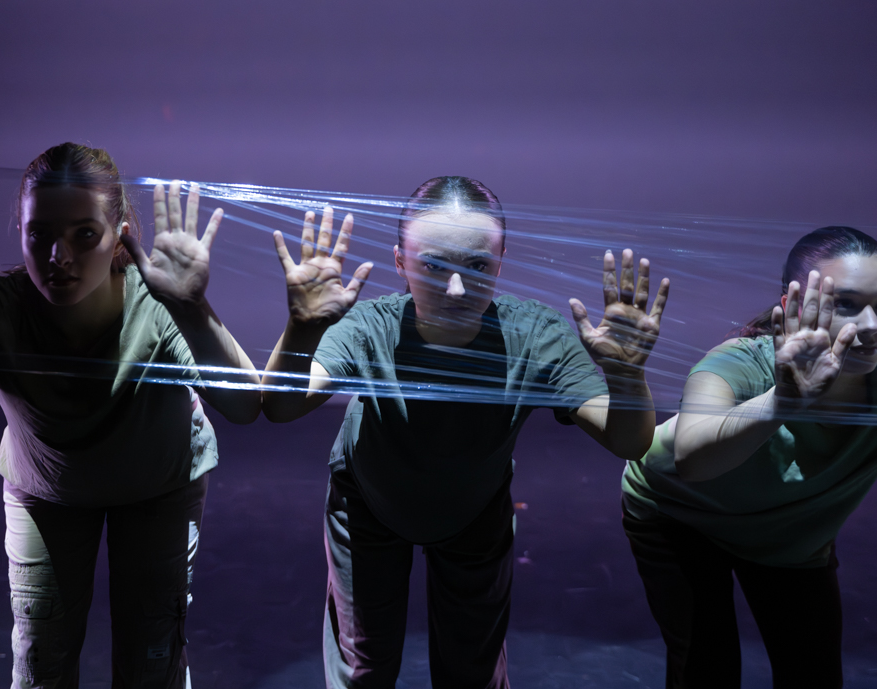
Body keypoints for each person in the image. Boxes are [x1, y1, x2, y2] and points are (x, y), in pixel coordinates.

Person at [0, 143, 261, 688]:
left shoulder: (154, 305)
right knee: (42, 661)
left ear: (119, 232)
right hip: (46, 491)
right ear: (18, 231)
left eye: (84, 235)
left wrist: (191, 307)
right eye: (39, 234)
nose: (58, 256)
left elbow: (243, 404)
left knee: (153, 662)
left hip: (158, 487)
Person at [261, 176, 670, 688]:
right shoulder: (369, 327)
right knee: (363, 669)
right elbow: (279, 408)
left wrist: (628, 375)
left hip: (474, 510)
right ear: (400, 262)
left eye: (476, 267)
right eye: (434, 265)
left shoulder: (534, 336)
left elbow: (628, 441)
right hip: (368, 501)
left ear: (499, 264)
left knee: (472, 674)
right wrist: (301, 327)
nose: (455, 289)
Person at [622, 226, 877, 688]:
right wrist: (781, 403)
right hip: (679, 513)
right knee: (706, 667)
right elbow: (692, 460)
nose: (872, 324)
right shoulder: (742, 361)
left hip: (789, 539)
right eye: (846, 303)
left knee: (814, 674)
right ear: (792, 308)